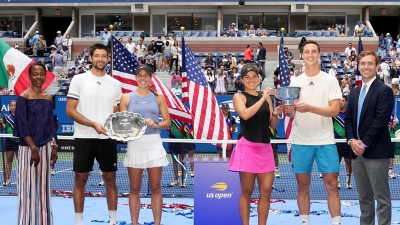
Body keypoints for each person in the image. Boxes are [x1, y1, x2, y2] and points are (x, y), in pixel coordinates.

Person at [284, 40, 342, 225]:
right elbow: (291, 112)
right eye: (306, 51)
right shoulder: (295, 81)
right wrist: (288, 110)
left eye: (313, 51)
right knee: (302, 186)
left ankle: (336, 223)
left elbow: (334, 110)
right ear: (302, 55)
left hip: (325, 141)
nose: (310, 55)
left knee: (332, 185)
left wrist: (309, 107)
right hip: (301, 141)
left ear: (318, 54)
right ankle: (305, 222)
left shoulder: (330, 80)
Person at [66, 43, 122, 225]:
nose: (100, 59)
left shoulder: (115, 84)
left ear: (108, 59)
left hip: (107, 139)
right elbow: (70, 110)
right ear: (90, 58)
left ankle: (113, 222)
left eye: (103, 56)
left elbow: (115, 114)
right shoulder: (78, 80)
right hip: (84, 137)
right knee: (80, 180)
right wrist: (93, 124)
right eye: (96, 56)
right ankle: (79, 222)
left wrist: (119, 129)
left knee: (110, 179)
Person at [345, 51, 394, 225]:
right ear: (358, 66)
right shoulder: (355, 91)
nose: (366, 67)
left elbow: (380, 121)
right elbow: (348, 119)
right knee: (364, 198)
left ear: (377, 66)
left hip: (376, 153)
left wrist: (363, 144)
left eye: (370, 63)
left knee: (382, 199)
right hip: (356, 154)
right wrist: (351, 141)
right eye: (363, 63)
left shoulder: (385, 91)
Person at [229, 64, 281, 225]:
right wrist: (262, 99)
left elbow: (272, 125)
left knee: (266, 192)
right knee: (247, 191)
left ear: (259, 79)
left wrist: (276, 114)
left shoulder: (267, 98)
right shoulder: (239, 97)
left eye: (254, 76)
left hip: (265, 149)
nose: (251, 80)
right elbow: (245, 115)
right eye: (247, 77)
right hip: (248, 148)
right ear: (242, 80)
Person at [119, 64, 171, 225]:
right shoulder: (126, 97)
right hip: (135, 145)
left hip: (154, 144)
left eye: (146, 75)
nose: (142, 78)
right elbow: (122, 124)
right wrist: (126, 134)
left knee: (156, 188)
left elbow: (168, 123)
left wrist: (155, 124)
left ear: (151, 78)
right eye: (139, 75)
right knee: (134, 189)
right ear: (136, 77)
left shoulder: (158, 97)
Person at [14, 62, 58, 225]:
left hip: (45, 149)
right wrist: (33, 148)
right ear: (29, 76)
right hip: (27, 150)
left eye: (41, 74)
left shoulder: (48, 97)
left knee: (44, 191)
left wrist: (55, 146)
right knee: (27, 191)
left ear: (45, 76)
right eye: (35, 74)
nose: (38, 77)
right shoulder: (22, 98)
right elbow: (22, 126)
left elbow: (50, 125)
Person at [333, 95, 352, 189]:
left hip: (348, 141)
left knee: (349, 161)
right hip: (337, 141)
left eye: (343, 101)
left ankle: (348, 181)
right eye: (339, 101)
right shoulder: (334, 113)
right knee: (337, 162)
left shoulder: (350, 113)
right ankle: (337, 181)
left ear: (346, 102)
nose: (341, 103)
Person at [2, 100, 18, 186]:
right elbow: (3, 127)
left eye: (15, 105)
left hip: (19, 140)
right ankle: (7, 179)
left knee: (20, 160)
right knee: (9, 159)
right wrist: (1, 123)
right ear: (9, 107)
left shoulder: (21, 116)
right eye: (12, 105)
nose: (13, 107)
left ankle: (21, 178)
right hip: (9, 140)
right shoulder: (6, 117)